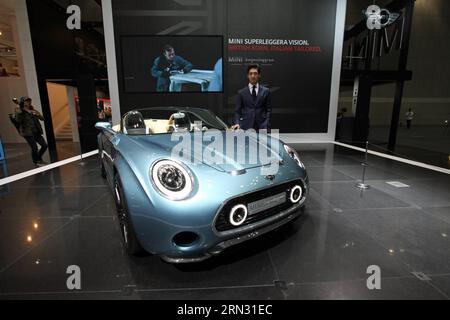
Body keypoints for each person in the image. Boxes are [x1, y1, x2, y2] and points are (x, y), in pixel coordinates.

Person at [231, 64, 272, 131]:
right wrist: (237, 123)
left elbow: (269, 110)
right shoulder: (241, 93)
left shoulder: (266, 91)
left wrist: (266, 124)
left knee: (263, 142)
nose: (253, 76)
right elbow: (237, 111)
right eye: (251, 74)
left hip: (262, 127)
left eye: (255, 73)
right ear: (248, 75)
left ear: (259, 75)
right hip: (246, 126)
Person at [14, 96, 48, 166]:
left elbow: (42, 118)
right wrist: (21, 110)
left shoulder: (33, 109)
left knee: (44, 145)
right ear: (23, 102)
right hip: (27, 132)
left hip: (36, 131)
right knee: (34, 147)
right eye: (27, 101)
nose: (29, 102)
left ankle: (38, 158)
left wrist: (37, 114)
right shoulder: (18, 110)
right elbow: (18, 120)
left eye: (29, 101)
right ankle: (36, 161)